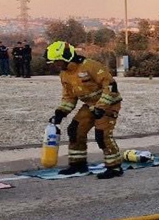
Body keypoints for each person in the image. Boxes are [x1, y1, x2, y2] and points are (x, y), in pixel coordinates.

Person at [45, 41, 125, 179]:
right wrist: (60, 112)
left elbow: (110, 86)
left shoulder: (91, 66)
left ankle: (114, 167)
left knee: (102, 135)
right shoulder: (64, 75)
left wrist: (101, 107)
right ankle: (78, 165)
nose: (55, 65)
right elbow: (69, 97)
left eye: (56, 62)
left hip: (109, 104)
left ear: (66, 57)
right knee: (75, 130)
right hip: (90, 105)